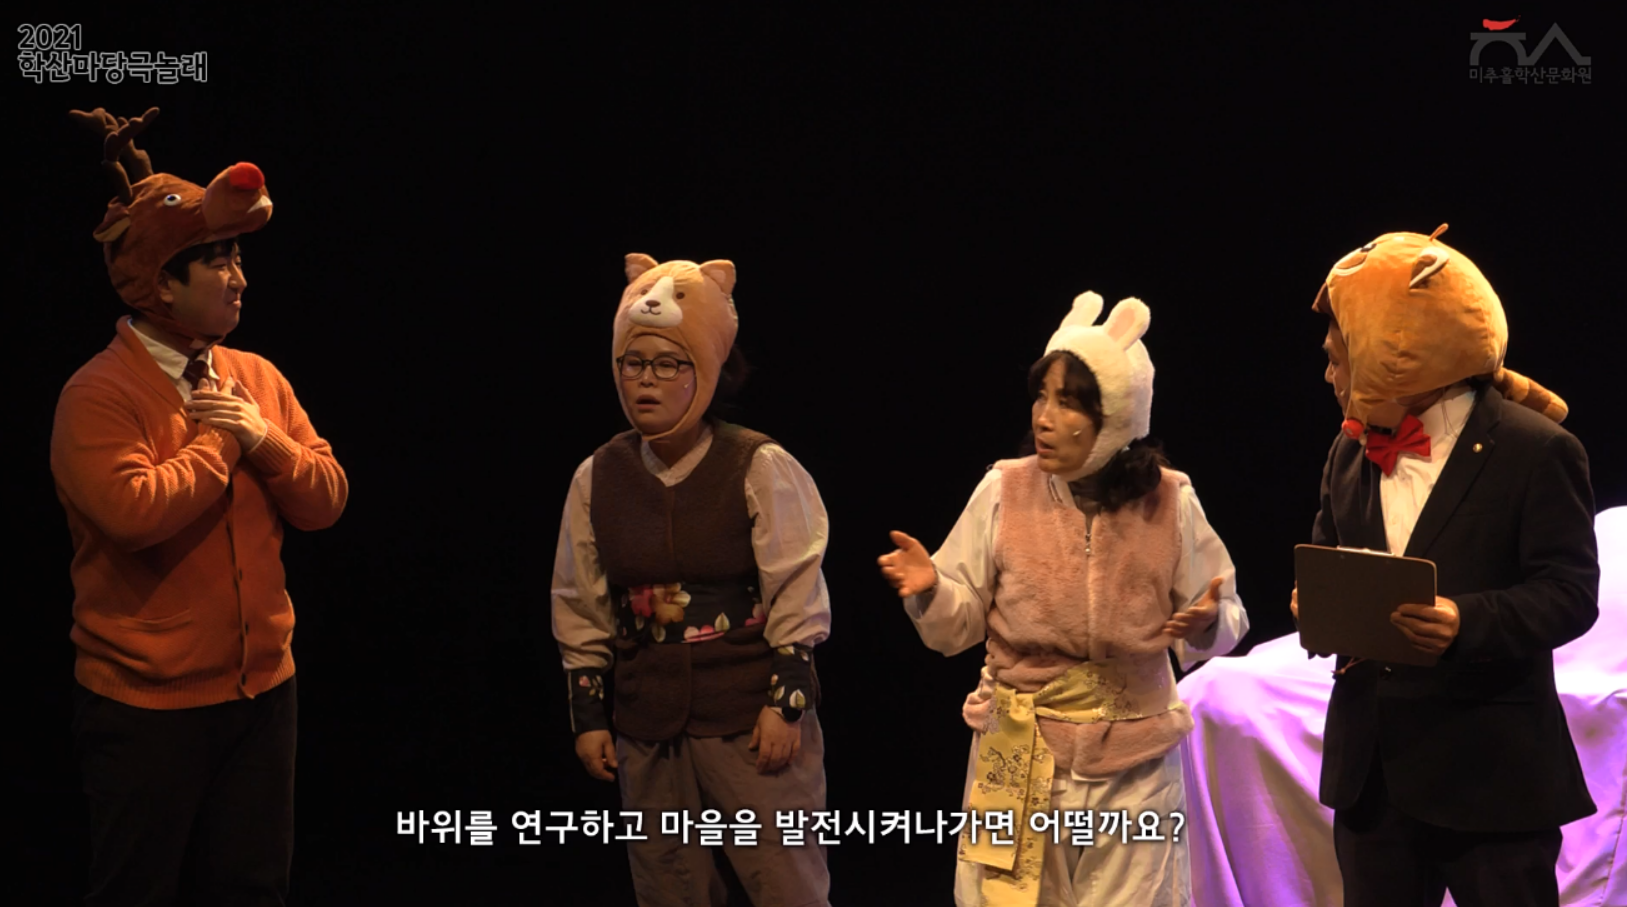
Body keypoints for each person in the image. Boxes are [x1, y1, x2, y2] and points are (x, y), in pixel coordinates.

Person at [51, 107, 347, 904]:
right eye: (218, 261)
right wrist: (222, 440)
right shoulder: (97, 393)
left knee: (253, 887)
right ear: (161, 283)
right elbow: (134, 511)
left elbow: (326, 500)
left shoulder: (257, 378)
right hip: (147, 707)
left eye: (238, 257)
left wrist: (262, 436)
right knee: (137, 889)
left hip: (264, 693)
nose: (239, 277)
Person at [879, 291, 1248, 907]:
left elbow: (1226, 614)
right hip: (1018, 747)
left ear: (1118, 416)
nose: (1044, 418)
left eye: (1069, 403)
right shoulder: (1005, 489)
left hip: (1134, 764)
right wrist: (934, 590)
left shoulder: (1170, 501)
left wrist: (1209, 623)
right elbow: (957, 625)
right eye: (1041, 397)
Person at [1297, 224, 1598, 907]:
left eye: (1339, 359)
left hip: (1490, 774)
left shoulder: (1536, 449)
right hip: (1373, 777)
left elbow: (1569, 592)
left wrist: (1464, 620)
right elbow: (1329, 553)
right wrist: (1315, 606)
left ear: (1391, 352)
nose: (1329, 375)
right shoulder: (1347, 450)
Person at [550, 254, 832, 907]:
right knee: (669, 885)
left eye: (669, 364)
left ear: (705, 371)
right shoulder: (598, 475)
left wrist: (786, 702)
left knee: (784, 884)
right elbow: (579, 598)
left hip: (747, 715)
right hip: (647, 719)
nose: (646, 381)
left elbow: (795, 584)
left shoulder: (757, 463)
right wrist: (588, 714)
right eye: (633, 363)